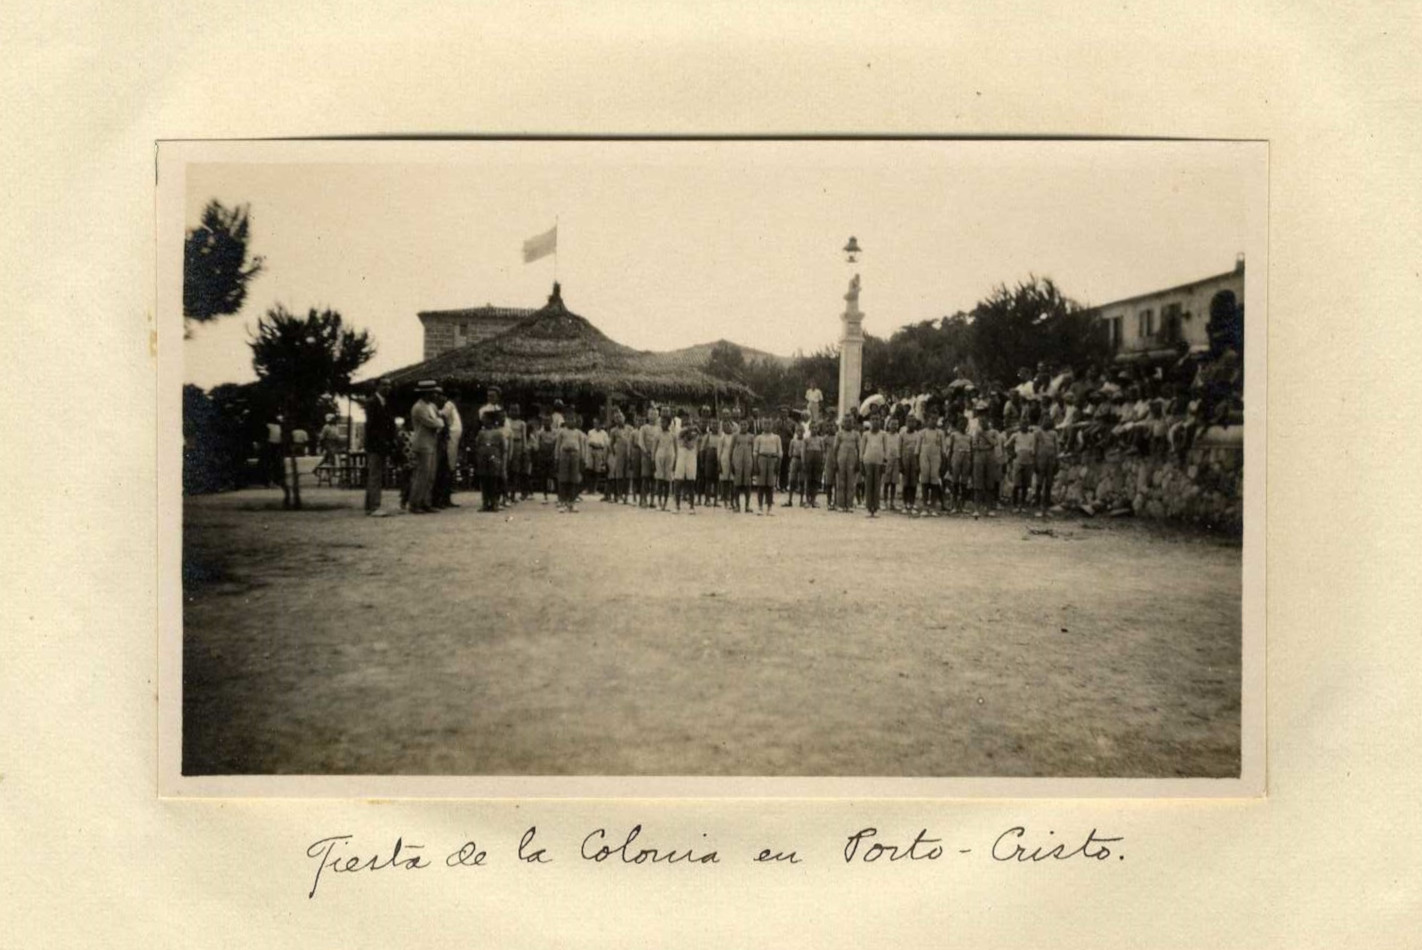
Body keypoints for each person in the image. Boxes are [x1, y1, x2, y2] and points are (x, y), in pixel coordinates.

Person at [407, 380, 445, 514]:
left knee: (430, 475)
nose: (435, 395)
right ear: (426, 393)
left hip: (432, 443)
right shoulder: (418, 407)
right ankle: (415, 503)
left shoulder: (432, 406)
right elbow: (433, 423)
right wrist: (439, 422)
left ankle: (426, 502)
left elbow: (440, 420)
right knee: (421, 475)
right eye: (433, 392)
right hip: (422, 444)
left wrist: (439, 422)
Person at [360, 379, 396, 516]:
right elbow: (372, 426)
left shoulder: (385, 403)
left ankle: (370, 505)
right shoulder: (372, 402)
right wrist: (383, 440)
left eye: (389, 384)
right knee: (375, 475)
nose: (388, 387)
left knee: (376, 475)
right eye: (384, 385)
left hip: (382, 443)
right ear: (377, 387)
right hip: (375, 444)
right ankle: (374, 506)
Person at [473, 410, 507, 511]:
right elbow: (477, 444)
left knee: (493, 480)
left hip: (494, 457)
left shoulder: (498, 433)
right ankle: (485, 503)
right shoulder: (481, 433)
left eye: (485, 418)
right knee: (484, 480)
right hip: (482, 457)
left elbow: (502, 447)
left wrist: (500, 460)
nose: (483, 420)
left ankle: (494, 503)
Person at [554, 413, 587, 512]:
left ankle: (572, 502)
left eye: (573, 419)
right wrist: (557, 458)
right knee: (563, 479)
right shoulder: (562, 432)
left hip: (575, 455)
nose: (571, 421)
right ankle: (562, 502)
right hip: (564, 454)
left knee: (574, 480)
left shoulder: (578, 433)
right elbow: (557, 446)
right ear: (566, 421)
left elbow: (581, 446)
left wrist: (582, 458)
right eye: (569, 419)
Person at [435, 389, 463, 508]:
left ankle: (446, 498)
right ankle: (442, 498)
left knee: (450, 469)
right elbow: (442, 415)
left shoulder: (453, 407)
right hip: (449, 439)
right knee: (446, 468)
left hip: (454, 440)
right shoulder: (449, 405)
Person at [1006, 417, 1037, 512]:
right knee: (1016, 484)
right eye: (1022, 424)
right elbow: (1006, 445)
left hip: (1028, 461)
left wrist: (1033, 457)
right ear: (1019, 425)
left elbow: (1033, 448)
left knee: (1025, 484)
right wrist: (1012, 454)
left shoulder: (1032, 436)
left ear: (1028, 425)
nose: (1024, 426)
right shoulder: (1015, 435)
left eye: (1026, 424)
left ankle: (1022, 505)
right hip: (1018, 460)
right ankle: (1015, 505)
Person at [752, 419, 783, 515]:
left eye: (769, 423)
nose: (767, 425)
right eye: (765, 423)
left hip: (772, 459)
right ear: (762, 425)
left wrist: (778, 463)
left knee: (770, 485)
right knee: (761, 485)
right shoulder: (758, 438)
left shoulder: (776, 437)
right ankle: (760, 507)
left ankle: (770, 508)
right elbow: (755, 452)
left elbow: (780, 452)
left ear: (772, 425)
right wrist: (756, 465)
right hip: (762, 459)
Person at [831, 414, 861, 513]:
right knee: (841, 482)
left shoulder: (856, 434)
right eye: (846, 421)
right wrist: (835, 462)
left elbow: (859, 449)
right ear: (843, 423)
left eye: (850, 422)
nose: (848, 424)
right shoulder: (839, 434)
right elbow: (835, 449)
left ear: (853, 423)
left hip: (852, 460)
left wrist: (858, 462)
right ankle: (840, 504)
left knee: (851, 483)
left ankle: (849, 504)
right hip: (841, 459)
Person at [859, 414, 887, 518]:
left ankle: (876, 507)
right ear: (870, 421)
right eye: (873, 419)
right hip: (868, 461)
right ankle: (868, 507)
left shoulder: (883, 434)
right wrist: (861, 462)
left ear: (880, 421)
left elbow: (886, 448)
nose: (875, 421)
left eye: (877, 419)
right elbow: (862, 449)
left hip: (879, 462)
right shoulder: (866, 434)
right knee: (868, 484)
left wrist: (885, 462)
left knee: (877, 485)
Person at [917, 414, 945, 516]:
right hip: (924, 458)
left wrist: (943, 464)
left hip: (936, 459)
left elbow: (943, 450)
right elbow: (917, 449)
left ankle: (933, 506)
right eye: (932, 419)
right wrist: (917, 464)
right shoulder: (922, 433)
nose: (933, 421)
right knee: (924, 482)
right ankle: (925, 506)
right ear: (927, 420)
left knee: (934, 483)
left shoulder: (940, 433)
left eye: (935, 419)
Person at [1034, 416, 1060, 517]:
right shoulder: (1038, 433)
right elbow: (1034, 447)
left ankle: (1047, 507)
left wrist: (1057, 461)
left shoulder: (1054, 434)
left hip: (1051, 460)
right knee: (1039, 483)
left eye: (1048, 421)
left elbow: (1057, 448)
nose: (1046, 423)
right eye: (1044, 421)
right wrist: (1035, 461)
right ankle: (1038, 506)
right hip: (1040, 460)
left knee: (1049, 483)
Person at [946, 416, 973, 513]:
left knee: (964, 483)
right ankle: (954, 505)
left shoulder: (969, 437)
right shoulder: (954, 435)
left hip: (966, 458)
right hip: (956, 458)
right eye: (961, 424)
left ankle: (962, 504)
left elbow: (972, 451)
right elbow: (950, 450)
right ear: (957, 425)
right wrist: (949, 463)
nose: (963, 426)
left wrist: (971, 463)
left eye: (964, 424)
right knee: (955, 482)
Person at [652, 408, 678, 511]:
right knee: (659, 479)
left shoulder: (673, 434)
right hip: (659, 456)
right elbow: (654, 448)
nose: (663, 424)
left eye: (665, 422)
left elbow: (676, 449)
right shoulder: (657, 434)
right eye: (661, 422)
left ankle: (665, 503)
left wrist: (675, 461)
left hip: (670, 457)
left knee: (667, 480)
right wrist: (653, 460)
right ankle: (659, 501)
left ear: (669, 423)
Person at [729, 417, 756, 513]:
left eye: (745, 425)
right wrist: (731, 462)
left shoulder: (751, 437)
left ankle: (747, 505)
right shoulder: (735, 436)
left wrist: (754, 464)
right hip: (737, 462)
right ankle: (737, 505)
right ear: (739, 426)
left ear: (748, 426)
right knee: (737, 484)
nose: (743, 427)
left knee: (748, 485)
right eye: (742, 425)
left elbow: (754, 451)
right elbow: (731, 450)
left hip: (748, 462)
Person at [673, 418, 700, 513]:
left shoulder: (695, 434)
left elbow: (691, 445)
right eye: (685, 424)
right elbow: (681, 438)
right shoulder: (679, 433)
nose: (687, 426)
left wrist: (692, 429)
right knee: (678, 481)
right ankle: (677, 505)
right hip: (681, 457)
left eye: (689, 424)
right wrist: (687, 430)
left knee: (691, 482)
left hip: (691, 458)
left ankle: (691, 507)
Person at [505, 403, 529, 504]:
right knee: (506, 470)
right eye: (512, 410)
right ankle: (505, 494)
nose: (514, 412)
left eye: (516, 410)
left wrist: (524, 450)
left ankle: (513, 495)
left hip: (517, 445)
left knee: (515, 471)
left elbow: (524, 437)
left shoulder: (522, 423)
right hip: (507, 444)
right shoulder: (506, 421)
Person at [608, 410, 633, 504]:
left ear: (624, 418)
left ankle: (626, 495)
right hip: (619, 453)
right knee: (619, 474)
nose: (619, 419)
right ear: (614, 420)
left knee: (627, 474)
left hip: (628, 453)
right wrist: (613, 452)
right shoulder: (613, 431)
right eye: (616, 418)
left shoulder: (630, 429)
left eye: (620, 417)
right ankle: (619, 495)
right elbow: (610, 444)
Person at [533, 413, 559, 504]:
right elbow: (537, 444)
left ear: (551, 421)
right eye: (544, 421)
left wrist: (555, 455)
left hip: (552, 455)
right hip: (543, 455)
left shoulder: (556, 432)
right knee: (543, 476)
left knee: (554, 475)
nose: (546, 422)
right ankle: (545, 496)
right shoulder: (540, 433)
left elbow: (556, 443)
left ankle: (558, 496)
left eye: (548, 420)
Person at [899, 415, 922, 513]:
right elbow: (899, 449)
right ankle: (905, 504)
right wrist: (900, 464)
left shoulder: (918, 435)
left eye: (913, 421)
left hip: (914, 459)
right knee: (905, 483)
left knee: (913, 483)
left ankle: (912, 504)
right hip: (905, 459)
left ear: (915, 423)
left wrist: (918, 464)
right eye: (909, 421)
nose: (911, 424)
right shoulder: (902, 434)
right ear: (906, 423)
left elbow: (919, 449)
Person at [638, 409, 660, 508]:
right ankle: (643, 500)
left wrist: (656, 454)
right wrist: (646, 451)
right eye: (651, 414)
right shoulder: (643, 428)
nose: (653, 416)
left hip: (656, 456)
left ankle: (652, 500)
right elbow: (641, 442)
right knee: (645, 478)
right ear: (648, 415)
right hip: (646, 455)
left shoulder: (659, 428)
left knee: (654, 479)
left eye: (655, 414)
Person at [800, 421, 825, 508]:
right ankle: (807, 500)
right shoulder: (806, 440)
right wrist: (803, 462)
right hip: (809, 461)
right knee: (808, 480)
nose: (814, 429)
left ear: (818, 429)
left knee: (816, 480)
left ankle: (813, 500)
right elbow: (803, 452)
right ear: (810, 429)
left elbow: (823, 452)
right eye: (813, 428)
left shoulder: (820, 439)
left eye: (816, 428)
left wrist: (823, 462)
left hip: (817, 461)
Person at [587, 418, 610, 499]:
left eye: (597, 423)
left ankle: (595, 488)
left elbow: (606, 443)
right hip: (591, 450)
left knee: (597, 471)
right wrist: (596, 444)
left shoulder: (604, 433)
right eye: (594, 423)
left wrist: (599, 445)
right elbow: (589, 441)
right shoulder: (590, 432)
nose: (595, 425)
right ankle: (589, 489)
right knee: (590, 470)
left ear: (600, 424)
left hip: (599, 451)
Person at [784, 426, 804, 507]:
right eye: (798, 431)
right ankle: (790, 499)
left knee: (802, 481)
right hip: (795, 459)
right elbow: (790, 452)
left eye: (801, 431)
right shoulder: (793, 441)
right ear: (796, 432)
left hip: (802, 460)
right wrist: (791, 461)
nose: (799, 433)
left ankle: (801, 501)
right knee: (792, 480)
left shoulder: (805, 441)